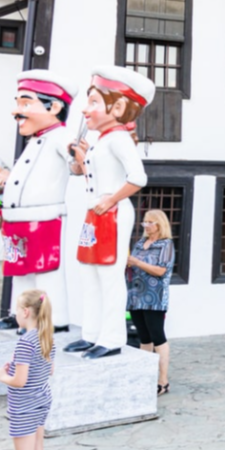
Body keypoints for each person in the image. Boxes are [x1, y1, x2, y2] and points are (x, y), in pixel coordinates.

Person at [64, 66, 155, 360]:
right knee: (89, 273)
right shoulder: (102, 140)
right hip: (96, 213)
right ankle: (91, 334)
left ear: (117, 108)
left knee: (109, 276)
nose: (85, 110)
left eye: (94, 102)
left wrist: (112, 199)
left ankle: (112, 338)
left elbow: (138, 178)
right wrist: (80, 158)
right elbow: (88, 174)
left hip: (112, 213)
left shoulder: (118, 139)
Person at [0, 70, 77, 332]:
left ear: (55, 107)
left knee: (46, 269)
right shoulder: (35, 140)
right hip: (18, 219)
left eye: (26, 104)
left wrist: (79, 161)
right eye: (18, 103)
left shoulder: (61, 137)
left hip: (44, 218)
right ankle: (21, 315)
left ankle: (54, 318)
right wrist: (9, 178)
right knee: (20, 270)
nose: (16, 111)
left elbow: (75, 163)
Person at [0, 288, 54, 450]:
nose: (16, 315)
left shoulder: (25, 342)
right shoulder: (47, 337)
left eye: (17, 310)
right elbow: (49, 370)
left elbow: (20, 381)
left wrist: (1, 375)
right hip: (42, 398)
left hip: (24, 405)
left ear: (25, 312)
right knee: (38, 445)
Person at [127, 209, 175, 396]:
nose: (146, 226)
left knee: (157, 337)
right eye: (144, 222)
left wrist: (137, 262)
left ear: (159, 224)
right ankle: (145, 377)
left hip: (155, 297)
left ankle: (163, 381)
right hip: (136, 295)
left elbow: (161, 270)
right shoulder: (140, 243)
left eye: (150, 222)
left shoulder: (166, 244)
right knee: (144, 337)